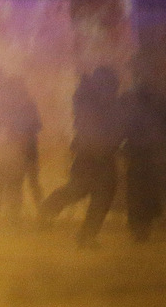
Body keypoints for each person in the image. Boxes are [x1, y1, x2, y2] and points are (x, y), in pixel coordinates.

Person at [40, 66, 124, 247]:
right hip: (92, 152)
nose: (114, 89)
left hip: (98, 152)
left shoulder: (91, 97)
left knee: (95, 193)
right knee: (85, 190)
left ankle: (84, 234)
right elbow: (90, 123)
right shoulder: (90, 99)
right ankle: (52, 210)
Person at [121, 78, 166, 242]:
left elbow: (125, 129)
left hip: (143, 155)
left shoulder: (134, 106)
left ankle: (141, 231)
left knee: (141, 193)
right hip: (165, 154)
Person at [0, 71, 43, 226]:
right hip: (8, 152)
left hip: (21, 152)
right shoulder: (2, 106)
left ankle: (9, 220)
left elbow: (35, 126)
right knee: (10, 186)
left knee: (13, 185)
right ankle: (2, 220)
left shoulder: (25, 105)